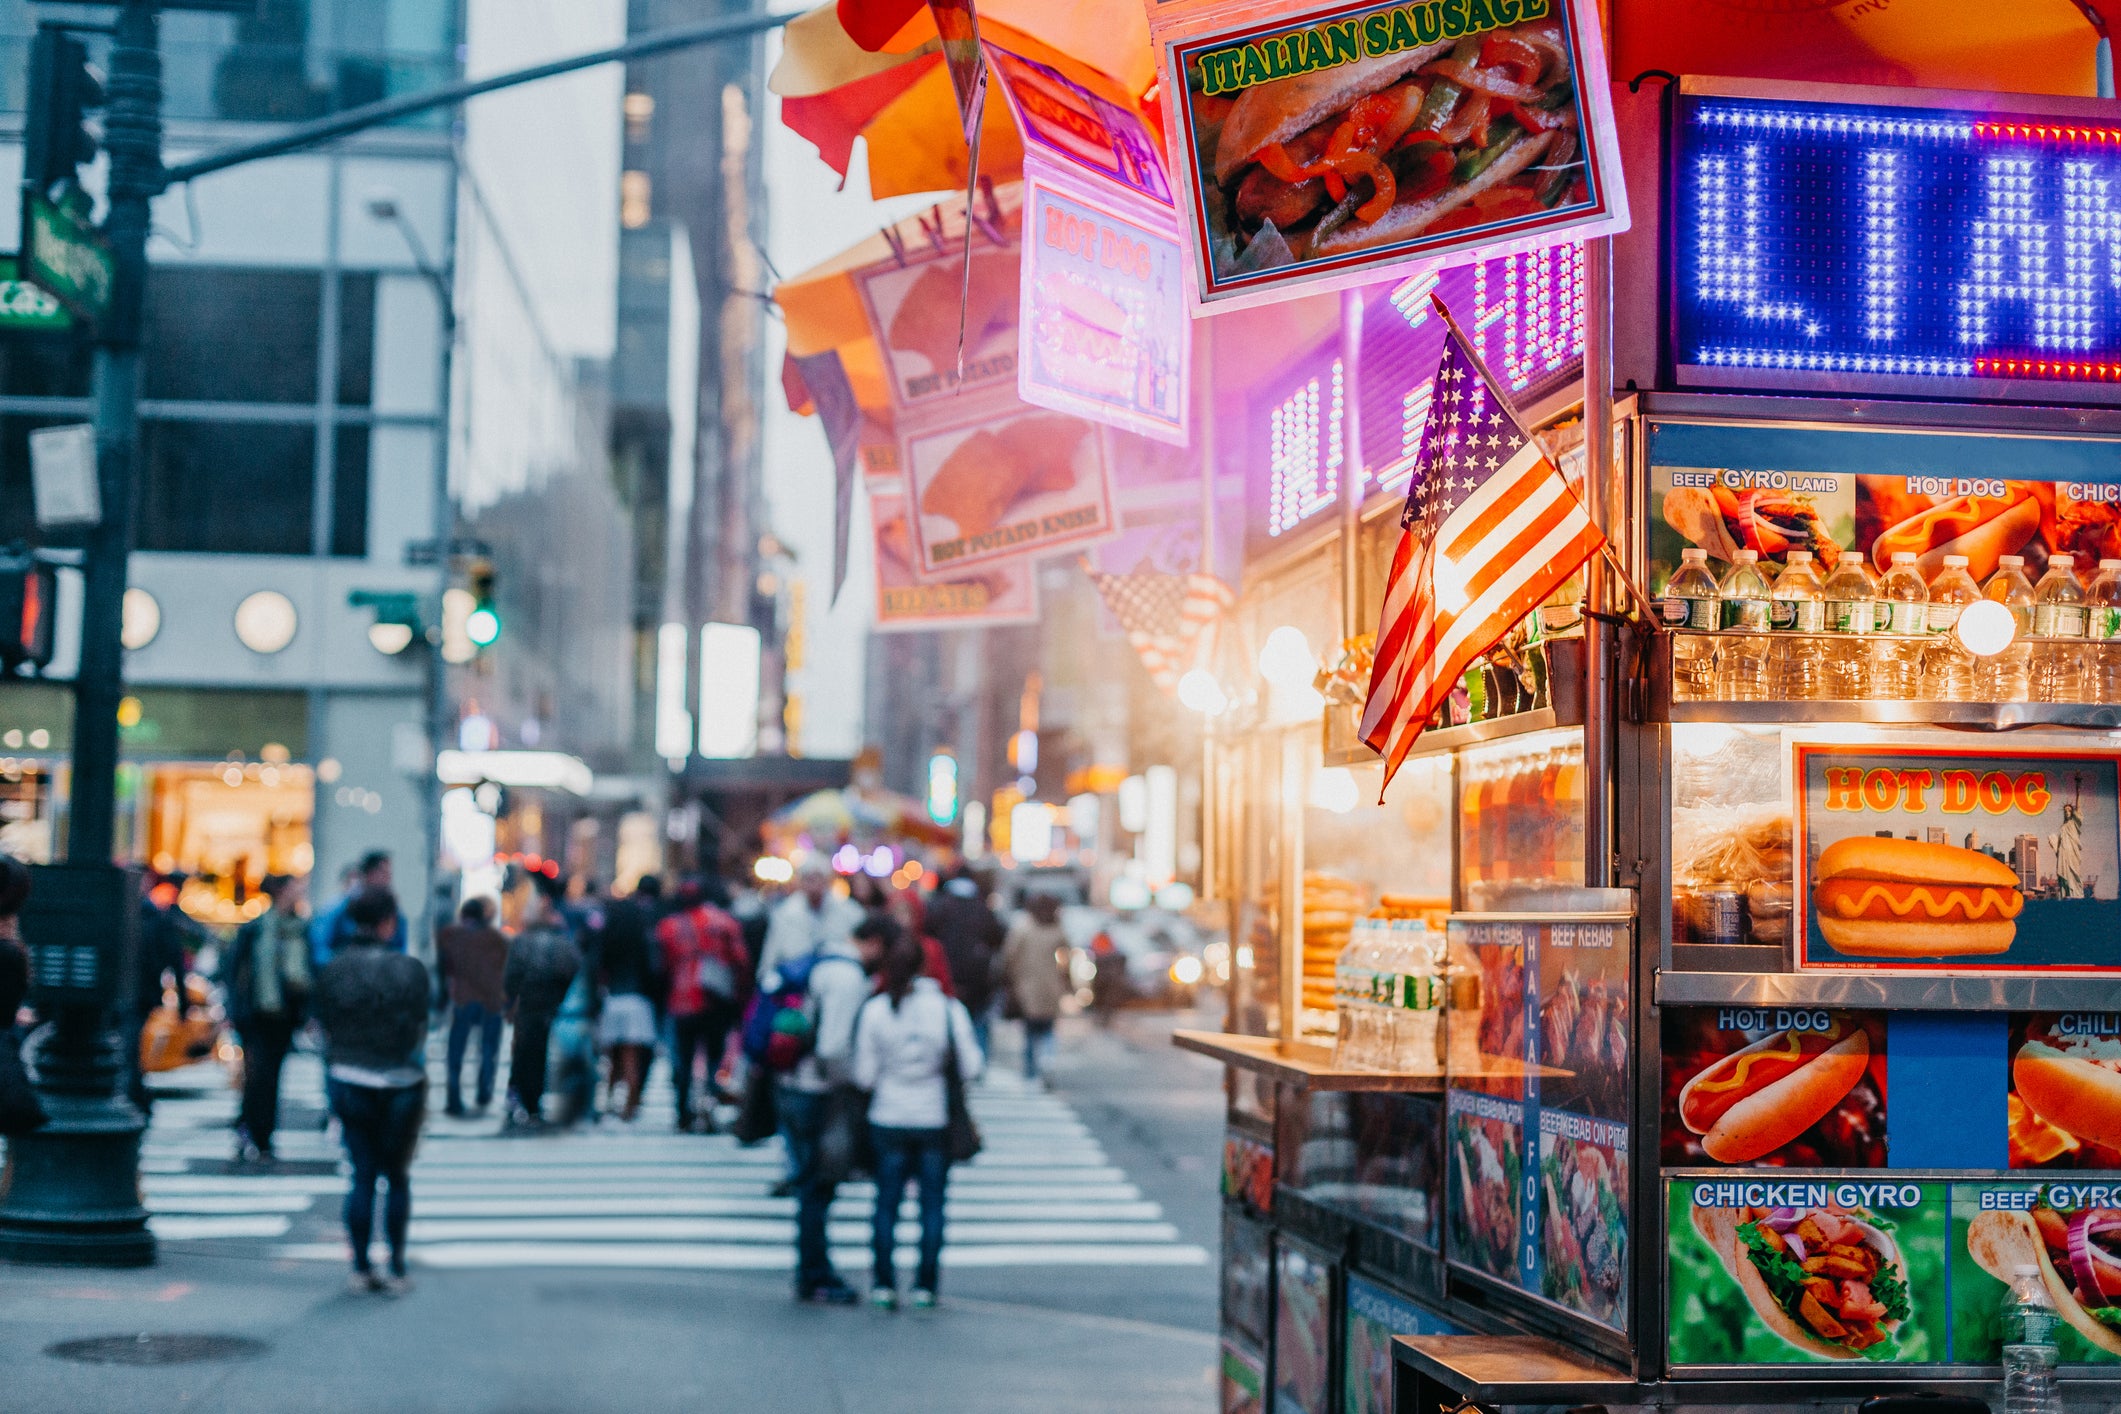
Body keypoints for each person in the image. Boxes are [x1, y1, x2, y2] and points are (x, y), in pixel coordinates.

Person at [853, 920, 983, 1311]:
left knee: (886, 1203)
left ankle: (883, 1283)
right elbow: (971, 1066)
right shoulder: (947, 1010)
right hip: (933, 1118)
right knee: (932, 1205)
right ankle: (926, 1285)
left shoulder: (877, 1010)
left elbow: (863, 1075)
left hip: (888, 1116)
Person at [313, 889, 429, 1294]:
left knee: (362, 1175)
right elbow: (420, 1022)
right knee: (396, 1176)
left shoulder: (334, 969)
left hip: (349, 1075)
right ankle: (396, 1266)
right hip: (399, 1079)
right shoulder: (406, 968)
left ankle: (361, 1267)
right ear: (387, 923)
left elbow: (321, 1022)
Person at [779, 908, 884, 1305]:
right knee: (816, 1186)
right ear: (874, 943)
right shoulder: (846, 976)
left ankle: (812, 1271)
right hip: (815, 1090)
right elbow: (833, 1046)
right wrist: (856, 1081)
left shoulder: (825, 959)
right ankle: (814, 1273)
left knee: (809, 1182)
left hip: (792, 1083)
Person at [219, 873, 313, 1162]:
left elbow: (307, 975)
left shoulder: (299, 929)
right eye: (295, 887)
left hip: (284, 1017)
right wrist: (233, 1011)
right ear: (281, 891)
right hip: (255, 1014)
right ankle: (250, 1129)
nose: (299, 892)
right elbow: (234, 972)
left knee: (272, 1076)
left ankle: (264, 1135)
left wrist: (307, 1014)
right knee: (256, 1075)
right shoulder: (255, 928)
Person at [659, 877, 749, 1132]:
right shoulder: (724, 922)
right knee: (713, 1058)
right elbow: (741, 962)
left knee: (683, 1060)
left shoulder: (669, 926)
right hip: (715, 1000)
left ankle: (683, 1113)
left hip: (682, 1000)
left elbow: (662, 966)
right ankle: (708, 1108)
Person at [502, 871, 582, 1130]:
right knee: (539, 1055)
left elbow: (511, 973)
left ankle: (518, 1099)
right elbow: (570, 969)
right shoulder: (561, 941)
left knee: (523, 1053)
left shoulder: (524, 941)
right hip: (549, 1005)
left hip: (526, 1004)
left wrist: (510, 1000)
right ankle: (532, 1103)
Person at [594, 880, 663, 1123]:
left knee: (613, 1058)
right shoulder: (644, 941)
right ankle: (630, 1106)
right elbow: (653, 972)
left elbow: (599, 967)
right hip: (637, 1001)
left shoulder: (610, 940)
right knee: (632, 1058)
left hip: (614, 999)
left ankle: (610, 1101)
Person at [435, 896, 509, 1117]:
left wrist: (442, 999)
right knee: (488, 1049)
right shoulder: (497, 938)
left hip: (463, 998)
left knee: (456, 1051)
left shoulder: (451, 936)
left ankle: (454, 1097)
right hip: (492, 999)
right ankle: (484, 1091)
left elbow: (444, 969)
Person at [925, 866, 1004, 1057]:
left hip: (947, 974)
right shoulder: (982, 907)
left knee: (949, 1024)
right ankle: (977, 1064)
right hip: (977, 977)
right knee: (977, 1023)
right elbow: (997, 937)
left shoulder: (940, 904)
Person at [999, 893, 1069, 1084]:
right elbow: (1066, 957)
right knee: (1048, 1028)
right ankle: (1047, 1061)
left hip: (1028, 986)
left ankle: (1031, 1071)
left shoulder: (1023, 930)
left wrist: (1010, 978)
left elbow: (1009, 956)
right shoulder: (1056, 929)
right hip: (1051, 986)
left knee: (1030, 1031)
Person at [756, 858, 864, 982]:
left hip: (836, 980)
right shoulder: (785, 913)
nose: (814, 884)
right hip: (794, 983)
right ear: (801, 881)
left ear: (827, 880)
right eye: (809, 879)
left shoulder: (850, 911)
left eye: (818, 878)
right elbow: (771, 952)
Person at [310, 851, 408, 969]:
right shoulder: (338, 909)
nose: (388, 878)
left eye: (389, 874)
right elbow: (320, 952)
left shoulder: (392, 911)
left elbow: (400, 948)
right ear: (368, 874)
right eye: (383, 873)